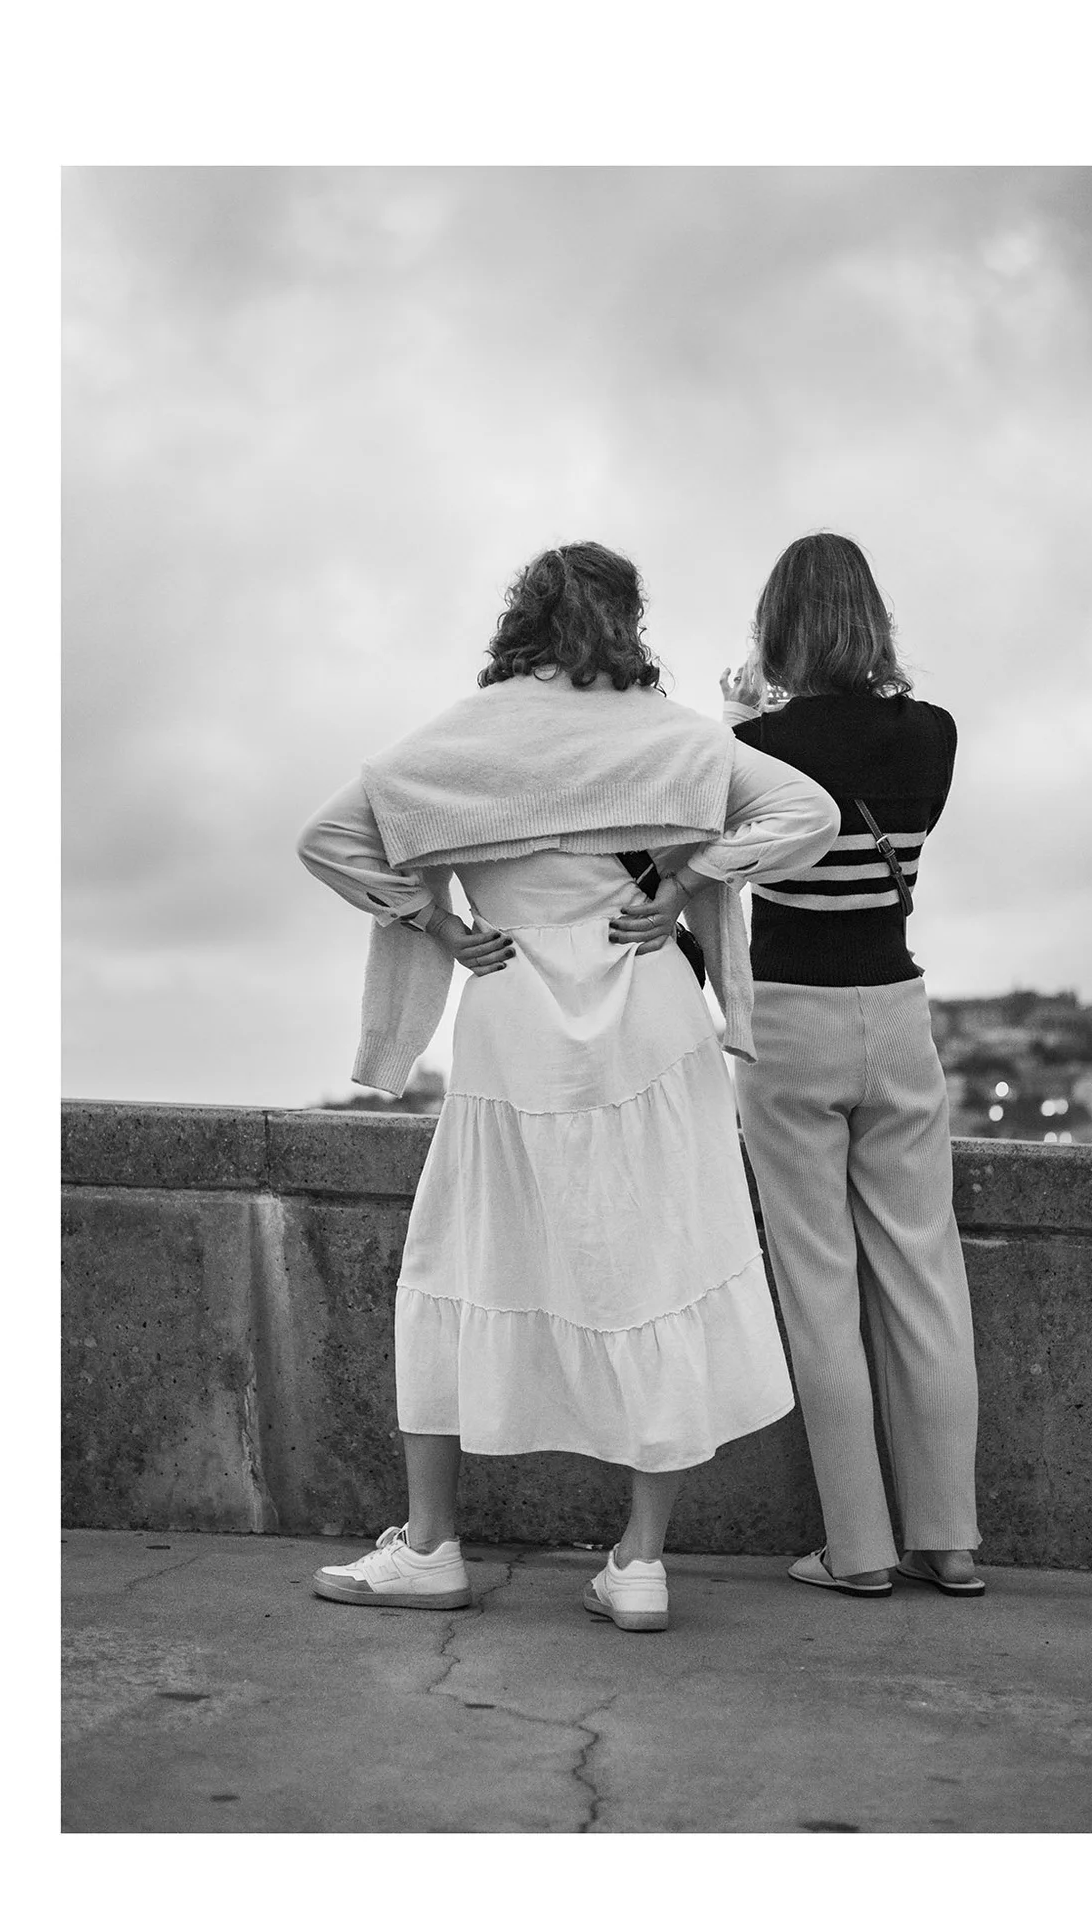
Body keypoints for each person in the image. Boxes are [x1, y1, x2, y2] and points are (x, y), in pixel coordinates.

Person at [297, 542, 839, 1632]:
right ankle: (639, 1563)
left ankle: (431, 1546)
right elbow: (810, 816)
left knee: (453, 1265)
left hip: (513, 1029)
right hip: (651, 1027)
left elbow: (328, 839)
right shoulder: (671, 735)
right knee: (660, 1268)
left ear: (524, 619)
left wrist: (436, 921)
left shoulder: (464, 737)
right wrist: (686, 878)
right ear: (628, 622)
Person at [721, 532, 984, 1599]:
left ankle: (860, 1549)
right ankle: (949, 1539)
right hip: (897, 1010)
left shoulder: (756, 745)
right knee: (925, 1278)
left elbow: (725, 843)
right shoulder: (934, 735)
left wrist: (747, 716)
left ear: (777, 627)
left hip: (789, 1017)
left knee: (818, 1286)